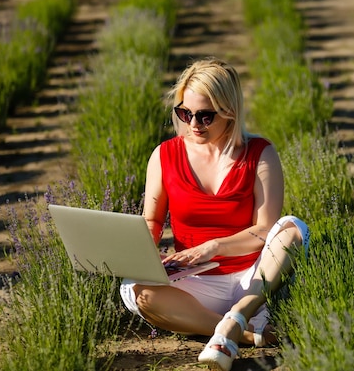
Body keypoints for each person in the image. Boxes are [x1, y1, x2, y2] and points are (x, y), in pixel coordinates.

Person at [119, 58, 310, 371]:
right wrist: (142, 254)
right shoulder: (164, 155)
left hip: (252, 279)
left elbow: (264, 230)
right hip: (195, 285)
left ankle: (240, 315)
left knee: (294, 229)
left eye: (206, 116)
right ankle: (243, 333)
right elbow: (151, 220)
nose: (194, 124)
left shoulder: (260, 153)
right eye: (185, 113)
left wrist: (215, 246)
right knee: (136, 289)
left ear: (229, 112)